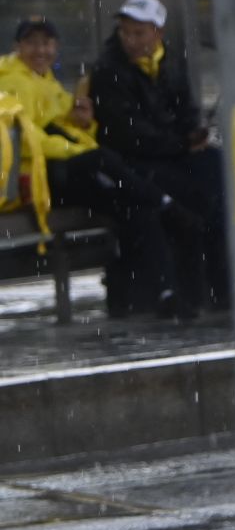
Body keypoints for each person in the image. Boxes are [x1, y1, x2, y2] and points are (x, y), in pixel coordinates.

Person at [0, 16, 188, 317]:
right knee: (105, 162)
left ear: (56, 47)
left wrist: (85, 126)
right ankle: (169, 206)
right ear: (18, 47)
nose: (40, 50)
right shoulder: (11, 82)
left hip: (64, 174)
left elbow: (65, 131)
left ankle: (167, 293)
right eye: (32, 43)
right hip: (36, 180)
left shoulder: (48, 83)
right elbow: (26, 140)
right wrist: (77, 151)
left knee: (135, 207)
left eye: (46, 43)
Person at [88, 0, 230, 315]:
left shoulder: (170, 65)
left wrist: (192, 136)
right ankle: (195, 287)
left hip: (171, 153)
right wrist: (181, 143)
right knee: (189, 194)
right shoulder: (109, 70)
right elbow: (128, 135)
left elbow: (187, 112)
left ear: (158, 33)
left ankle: (221, 283)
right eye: (126, 33)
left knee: (219, 175)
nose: (131, 40)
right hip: (136, 162)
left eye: (139, 33)